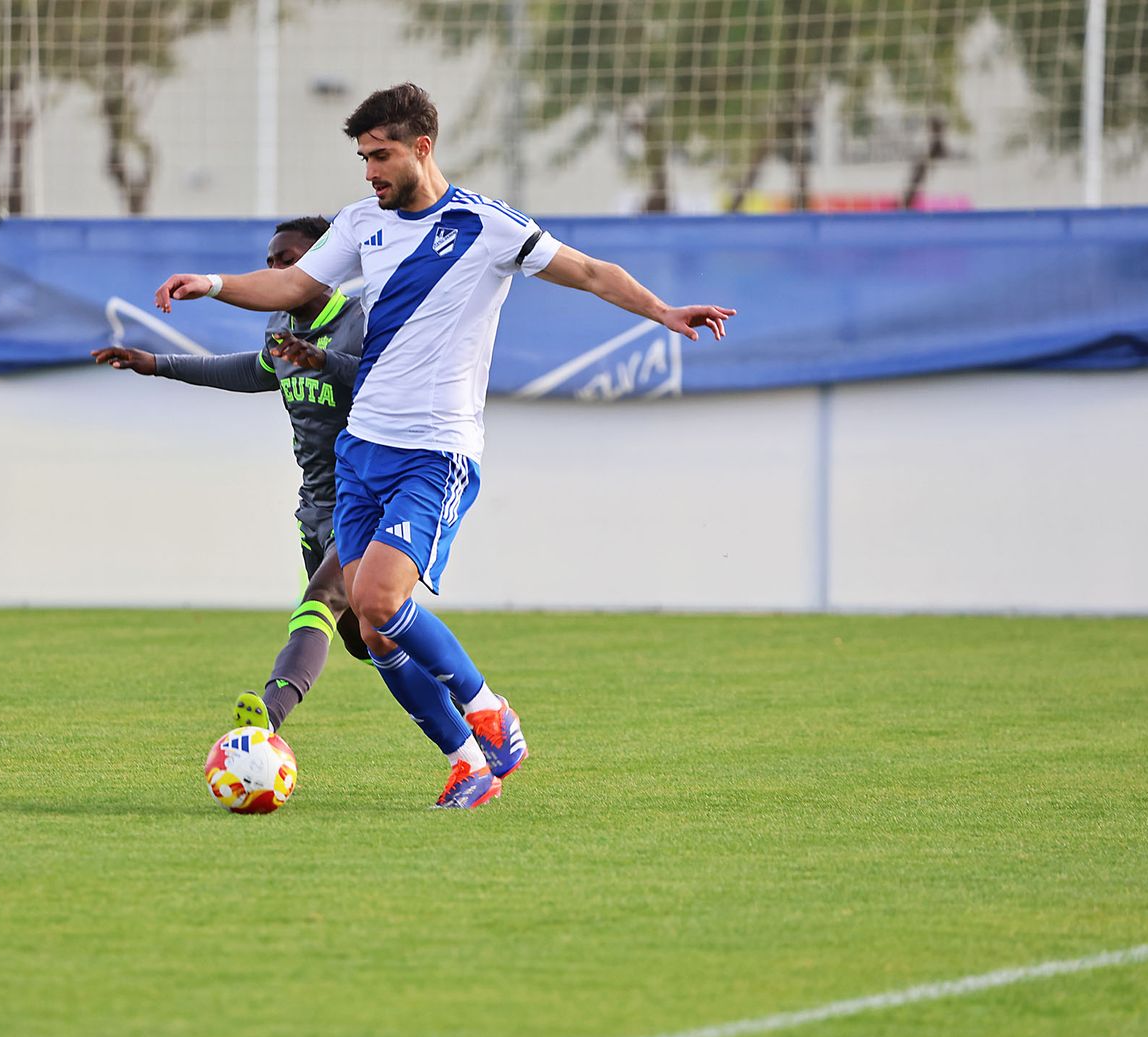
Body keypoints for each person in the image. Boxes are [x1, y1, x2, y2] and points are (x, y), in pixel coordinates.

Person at [153, 84, 736, 808]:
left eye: (381, 155)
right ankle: (468, 762)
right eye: (364, 158)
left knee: (377, 596)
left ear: (421, 148)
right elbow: (292, 284)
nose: (370, 171)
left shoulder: (485, 225)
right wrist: (212, 283)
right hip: (361, 450)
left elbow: (590, 272)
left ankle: (490, 711)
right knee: (374, 628)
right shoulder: (361, 223)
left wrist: (663, 311)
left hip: (435, 451)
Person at [92, 215, 369, 733]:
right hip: (315, 506)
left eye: (288, 261)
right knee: (365, 639)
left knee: (319, 602)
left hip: (367, 498)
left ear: (324, 265)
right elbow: (251, 370)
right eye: (270, 262)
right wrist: (156, 363)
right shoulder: (280, 327)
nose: (276, 270)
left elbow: (383, 378)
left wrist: (325, 360)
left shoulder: (362, 320)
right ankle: (461, 697)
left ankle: (267, 718)